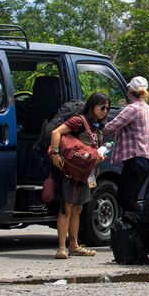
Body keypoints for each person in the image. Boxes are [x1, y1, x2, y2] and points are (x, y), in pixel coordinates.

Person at [48, 93, 109, 259]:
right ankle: (62, 248)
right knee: (66, 208)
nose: (105, 111)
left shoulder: (97, 127)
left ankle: (74, 245)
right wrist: (55, 154)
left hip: (85, 173)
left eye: (107, 108)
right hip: (69, 171)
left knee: (78, 208)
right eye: (102, 107)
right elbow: (56, 133)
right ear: (92, 106)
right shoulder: (78, 121)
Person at [103, 76, 149, 215]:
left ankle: (148, 223)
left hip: (136, 159)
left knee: (124, 198)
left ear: (130, 91)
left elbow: (109, 128)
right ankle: (137, 230)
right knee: (131, 197)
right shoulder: (146, 107)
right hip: (145, 159)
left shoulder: (133, 108)